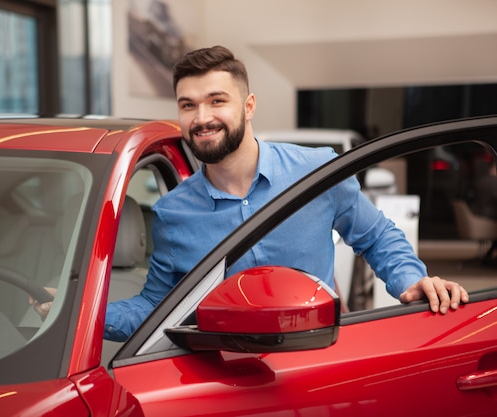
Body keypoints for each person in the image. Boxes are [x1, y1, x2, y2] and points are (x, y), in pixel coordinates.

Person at [34, 45, 468, 341]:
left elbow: (375, 236)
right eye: (188, 105)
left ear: (249, 106)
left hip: (320, 361)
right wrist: (78, 312)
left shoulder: (316, 171)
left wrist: (411, 281)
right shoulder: (172, 213)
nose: (202, 117)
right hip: (223, 379)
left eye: (216, 100)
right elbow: (155, 306)